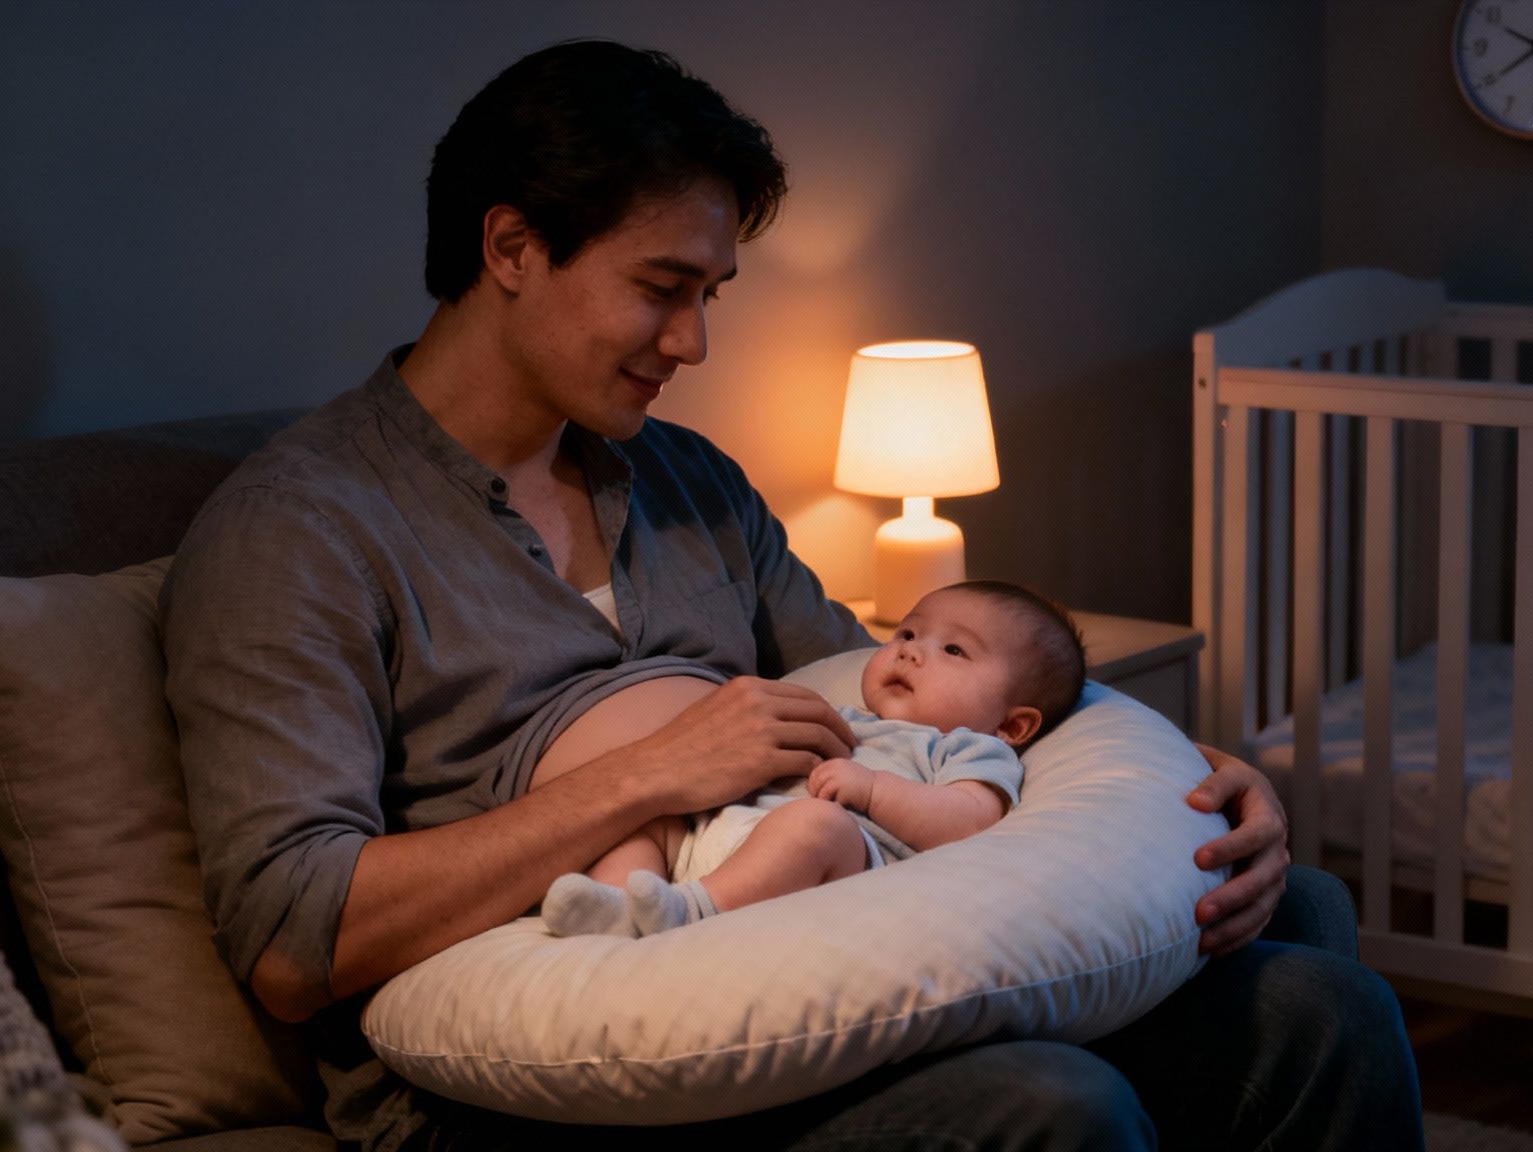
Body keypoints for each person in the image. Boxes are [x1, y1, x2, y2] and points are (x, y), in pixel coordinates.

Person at [161, 38, 1424, 1150]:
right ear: (510, 246)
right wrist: (655, 774)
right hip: (531, 1075)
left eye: (708, 296)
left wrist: (1186, 777)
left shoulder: (687, 482)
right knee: (1048, 1103)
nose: (692, 345)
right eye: (662, 288)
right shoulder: (305, 530)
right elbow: (291, 942)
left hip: (780, 961)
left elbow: (897, 694)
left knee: (1315, 962)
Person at [534, 579, 1084, 939]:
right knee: (652, 818)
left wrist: (871, 790)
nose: (909, 650)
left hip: (835, 860)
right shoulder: (846, 715)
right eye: (908, 632)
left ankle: (691, 913)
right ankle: (615, 909)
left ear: (1013, 725)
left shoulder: (967, 747)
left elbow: (969, 821)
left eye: (954, 650)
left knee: (816, 823)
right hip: (729, 837)